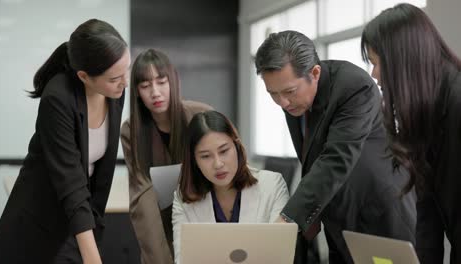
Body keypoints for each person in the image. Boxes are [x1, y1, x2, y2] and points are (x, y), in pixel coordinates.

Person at [254, 30, 416, 264]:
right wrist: (311, 213)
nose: (282, 102)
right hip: (338, 212)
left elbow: (336, 158)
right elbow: (312, 157)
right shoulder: (294, 98)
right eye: (273, 94)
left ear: (315, 73)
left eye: (289, 92)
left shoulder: (354, 86)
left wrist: (291, 218)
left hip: (379, 211)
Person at [0, 19, 129, 263]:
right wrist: (91, 256)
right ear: (84, 76)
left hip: (79, 220)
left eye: (126, 71)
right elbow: (71, 182)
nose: (125, 82)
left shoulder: (115, 91)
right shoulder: (58, 97)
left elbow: (99, 175)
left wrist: (93, 234)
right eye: (114, 78)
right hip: (39, 223)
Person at [361, 3, 461, 263]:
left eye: (376, 63)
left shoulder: (457, 102)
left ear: (403, 60)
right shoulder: (426, 110)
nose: (374, 74)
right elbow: (428, 211)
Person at [120, 48, 212, 264]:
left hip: (205, 222)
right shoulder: (131, 130)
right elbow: (142, 194)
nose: (155, 92)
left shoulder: (201, 116)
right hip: (159, 230)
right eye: (145, 85)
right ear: (136, 91)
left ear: (173, 81)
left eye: (162, 82)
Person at [171, 110, 289, 263]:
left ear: (237, 146)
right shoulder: (183, 199)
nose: (218, 164)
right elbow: (183, 260)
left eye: (224, 151)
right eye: (206, 156)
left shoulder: (272, 185)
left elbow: (278, 256)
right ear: (194, 161)